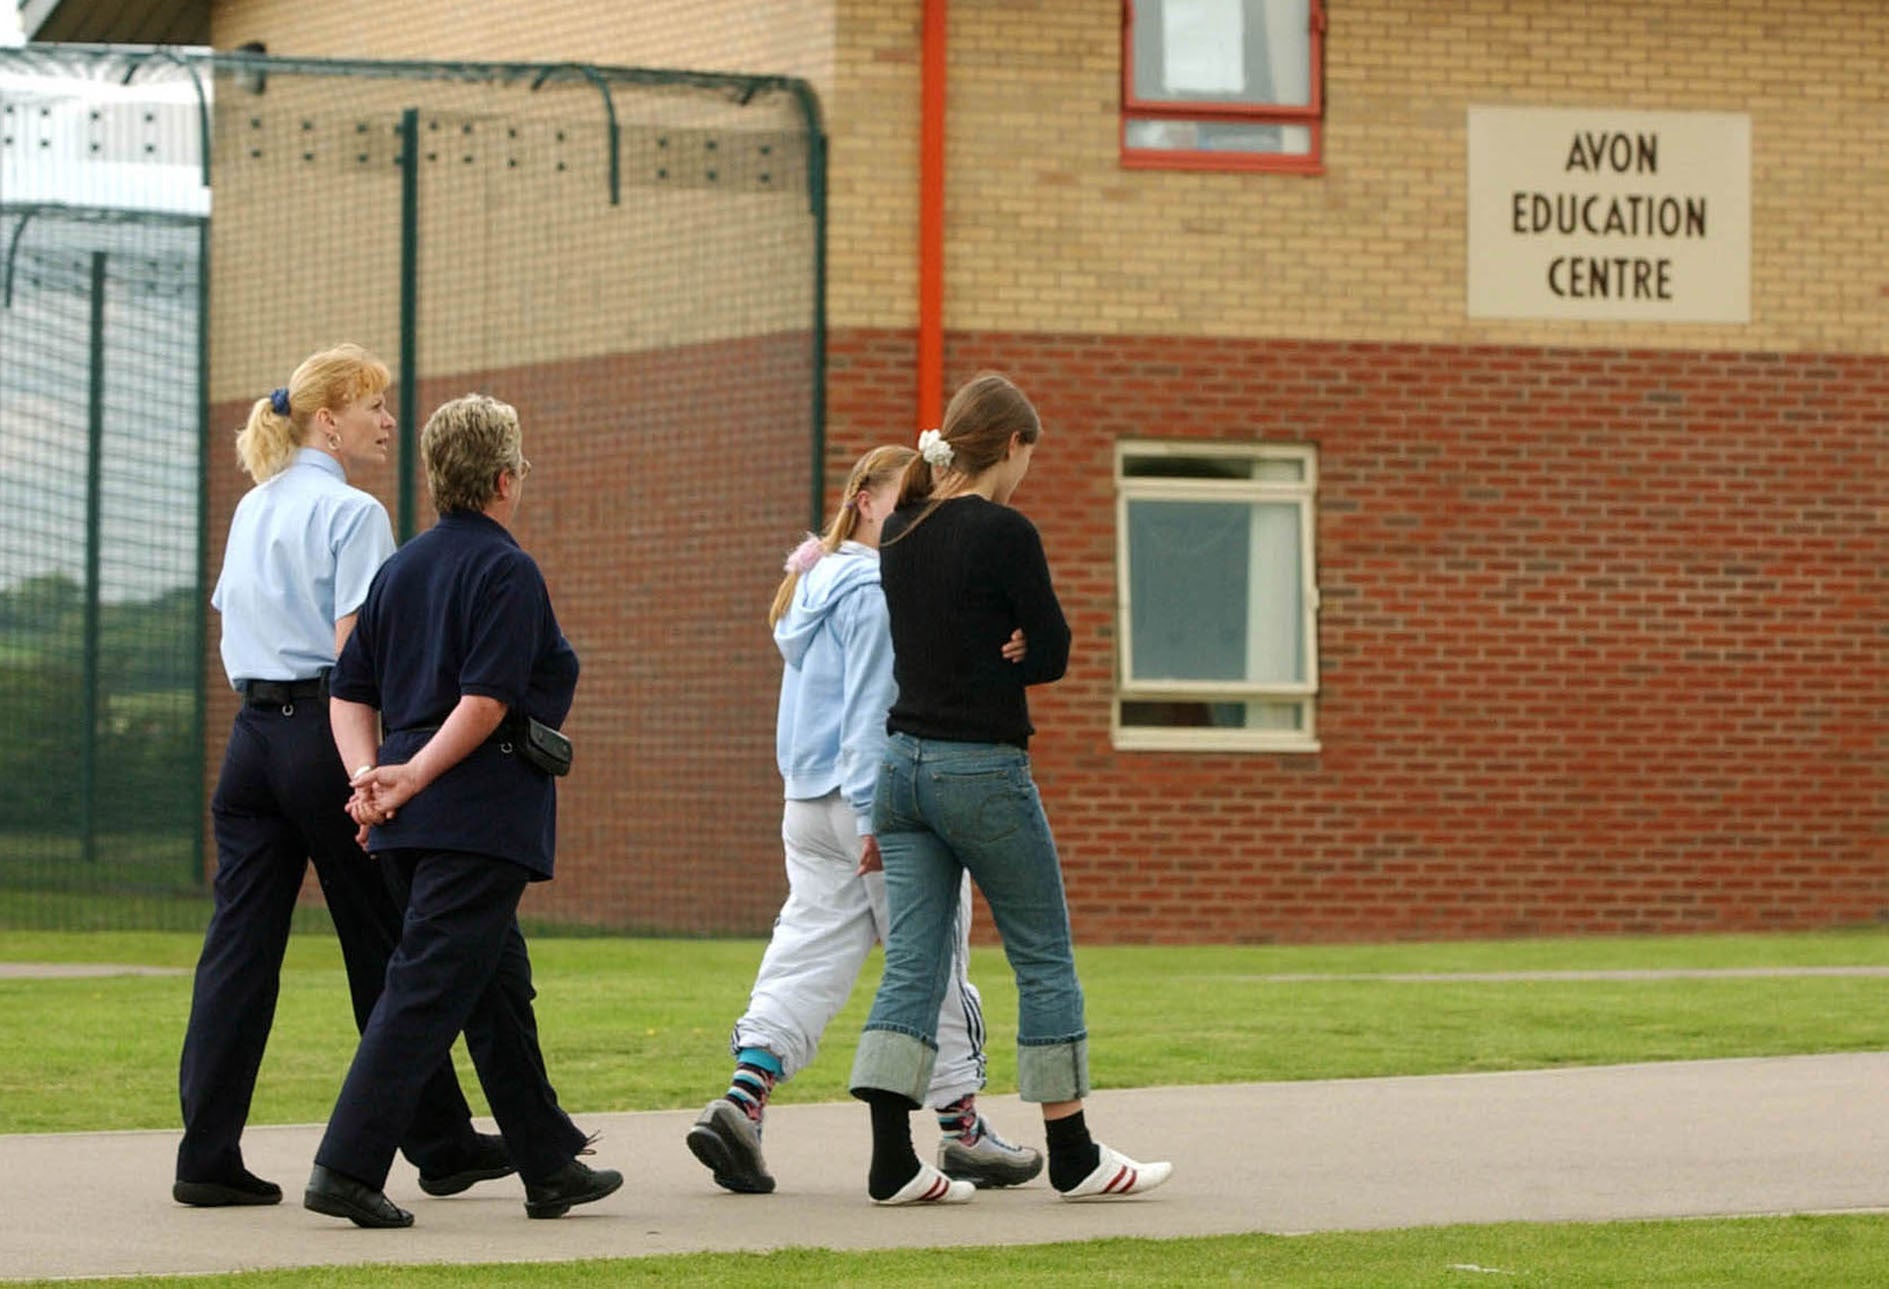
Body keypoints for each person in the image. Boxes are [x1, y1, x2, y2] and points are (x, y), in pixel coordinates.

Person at [175, 344, 509, 1209]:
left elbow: (230, 626)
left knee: (238, 952)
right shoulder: (354, 513)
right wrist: (379, 762)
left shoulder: (253, 508)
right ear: (330, 419)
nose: (388, 421)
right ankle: (436, 1142)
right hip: (326, 736)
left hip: (252, 737)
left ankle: (205, 1153)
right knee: (386, 941)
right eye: (375, 407)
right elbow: (362, 653)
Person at [848, 373, 1173, 1205]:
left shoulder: (899, 529)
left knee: (912, 965)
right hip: (980, 769)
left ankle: (892, 1163)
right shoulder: (1004, 532)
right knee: (1042, 952)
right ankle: (1073, 1152)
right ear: (1014, 445)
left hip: (901, 771)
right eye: (1031, 453)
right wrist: (1020, 642)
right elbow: (1055, 650)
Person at [685, 446, 1043, 1196]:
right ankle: (962, 1129)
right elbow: (869, 714)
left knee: (807, 948)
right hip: (864, 801)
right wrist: (876, 813)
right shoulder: (875, 590)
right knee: (933, 955)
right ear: (876, 503)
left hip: (805, 802)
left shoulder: (811, 579)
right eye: (911, 502)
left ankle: (744, 1099)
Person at [304, 393, 617, 1228]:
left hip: (412, 828)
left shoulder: (399, 569)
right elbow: (485, 703)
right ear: (506, 477)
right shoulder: (505, 570)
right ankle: (344, 1163)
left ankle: (547, 1162)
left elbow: (348, 690)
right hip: (476, 820)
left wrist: (373, 773)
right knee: (426, 991)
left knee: (495, 984)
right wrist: (407, 778)